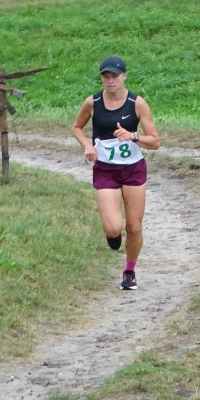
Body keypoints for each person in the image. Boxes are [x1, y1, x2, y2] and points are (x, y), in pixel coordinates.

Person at [71, 55, 160, 290]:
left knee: (134, 226)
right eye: (105, 77)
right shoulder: (93, 102)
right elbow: (77, 127)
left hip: (133, 169)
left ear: (124, 76)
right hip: (106, 170)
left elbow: (155, 142)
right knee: (113, 228)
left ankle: (129, 271)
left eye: (115, 76)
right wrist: (88, 146)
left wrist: (134, 136)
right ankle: (115, 237)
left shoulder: (137, 103)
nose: (110, 81)